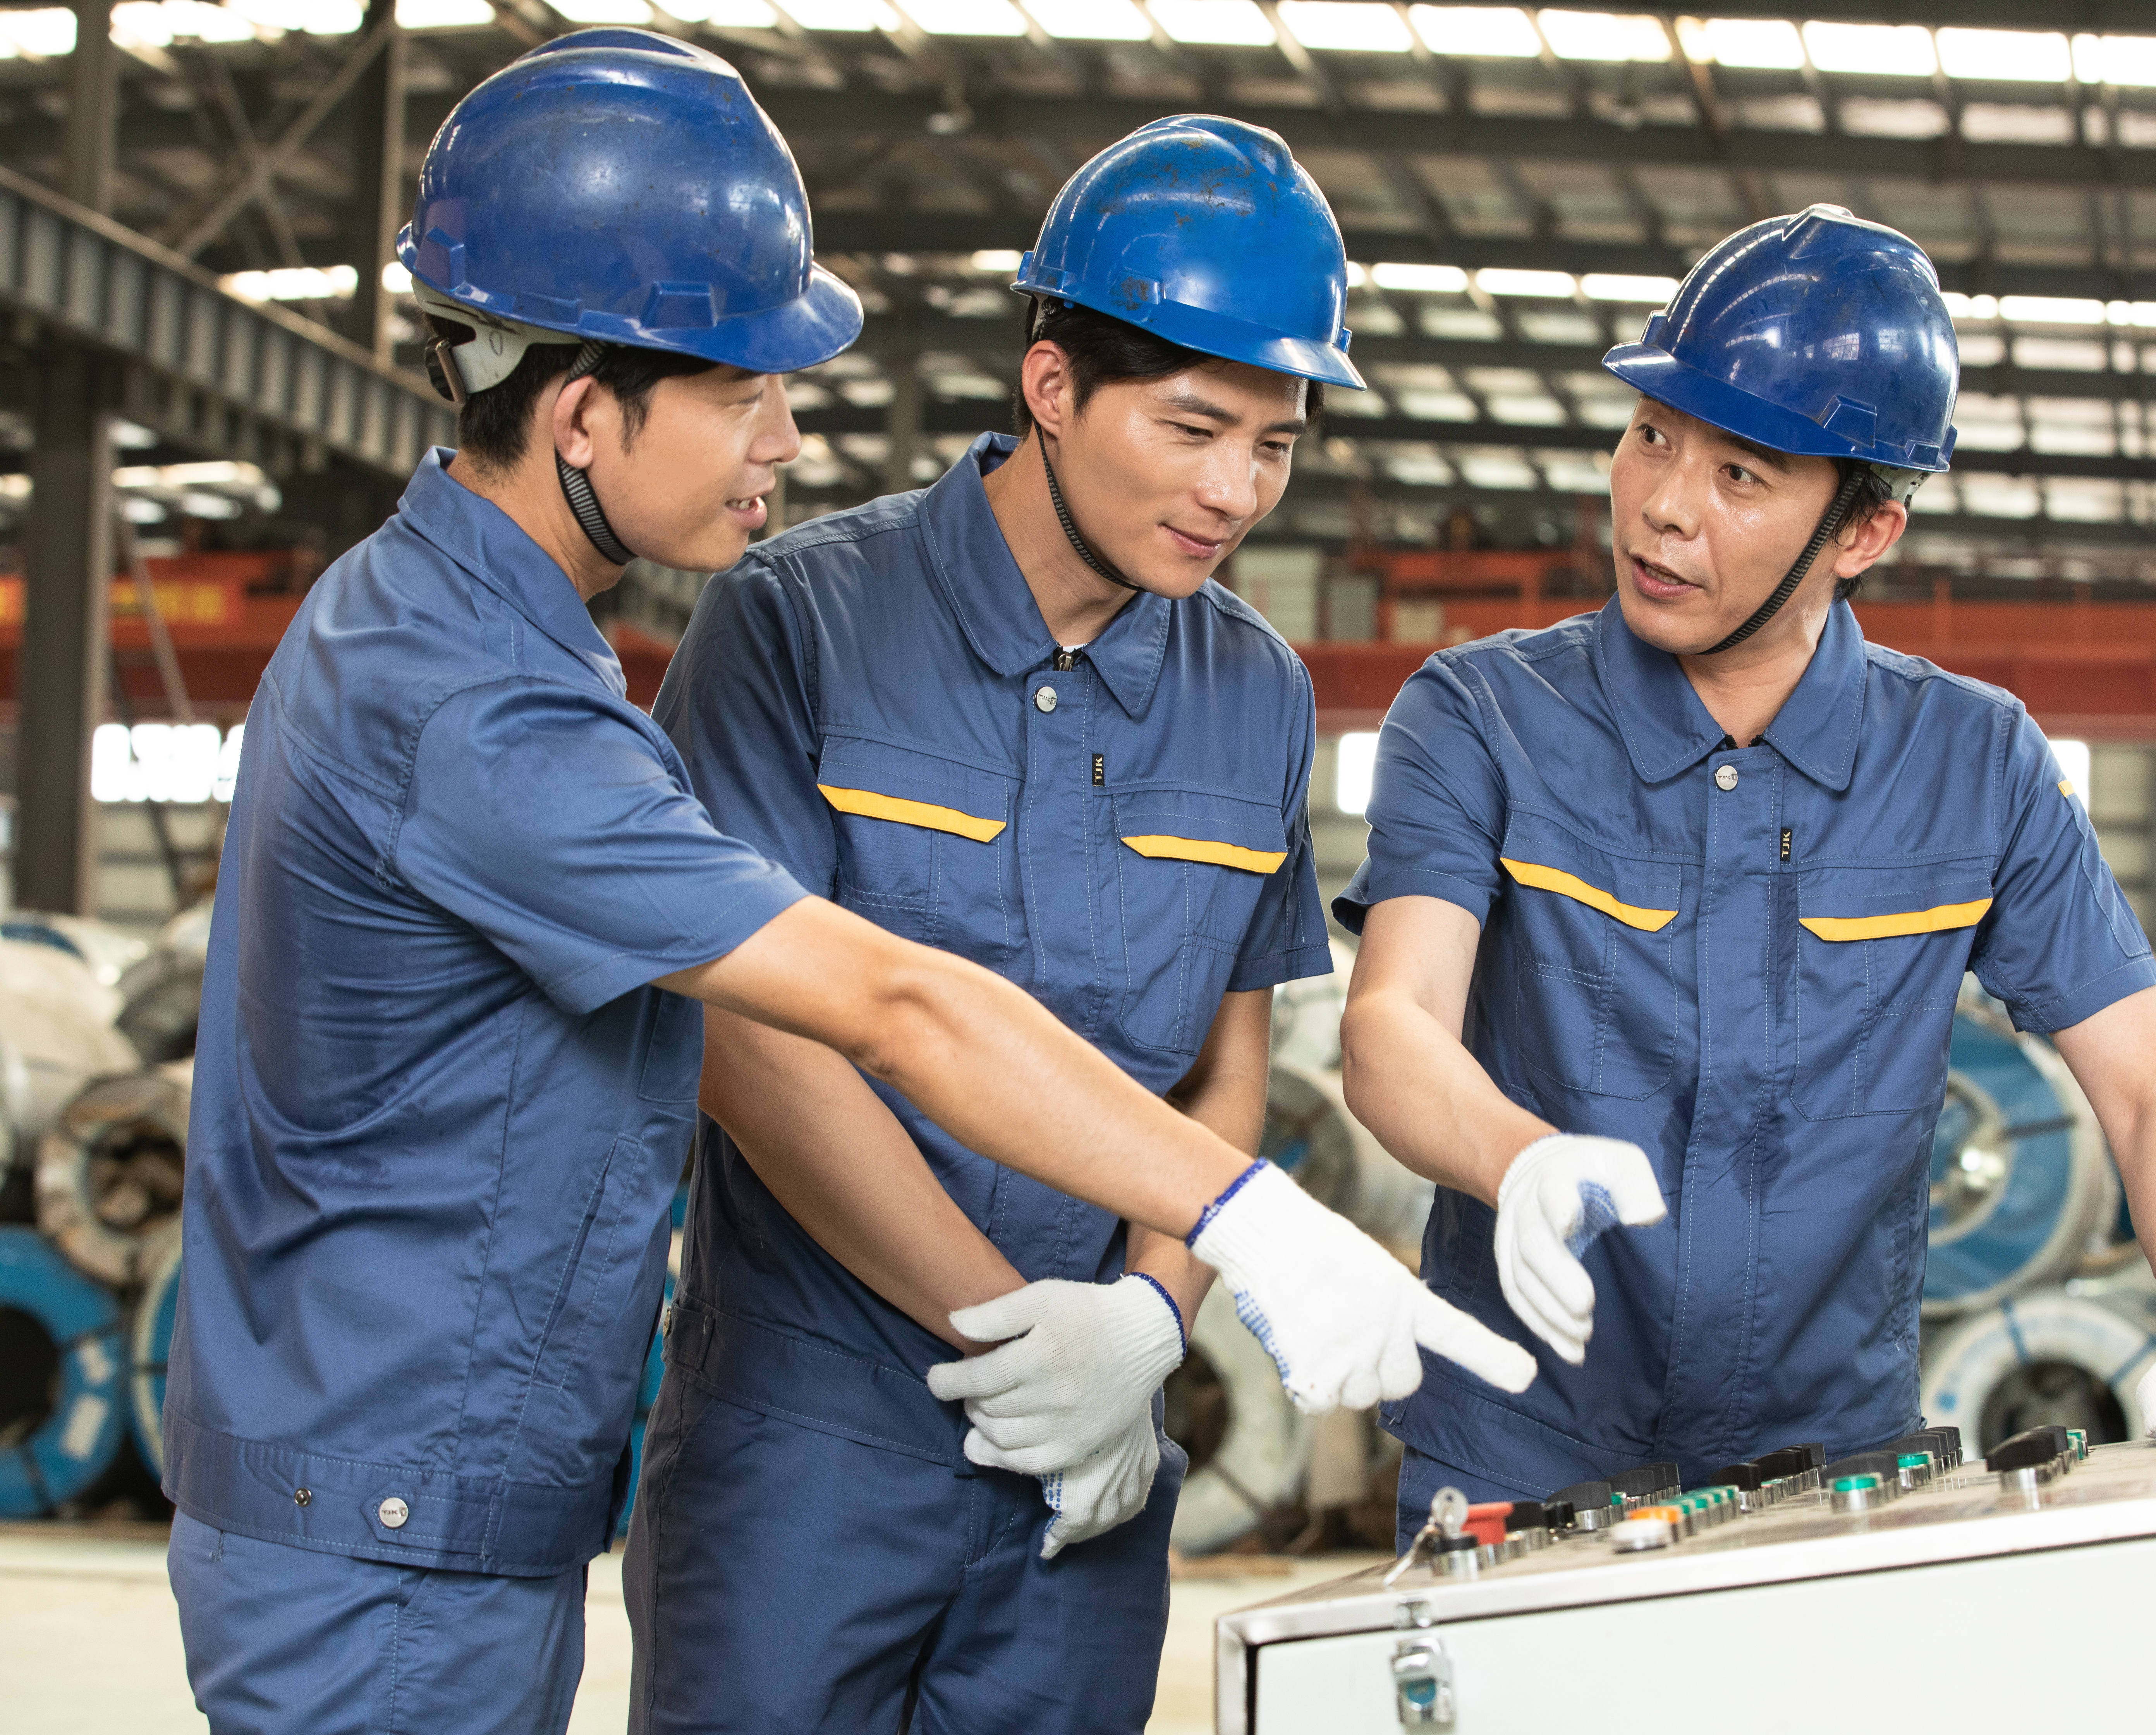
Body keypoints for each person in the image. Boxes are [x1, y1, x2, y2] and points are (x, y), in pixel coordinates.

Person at [159, 43, 1528, 1735]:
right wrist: (1250, 1222)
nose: (787, 437)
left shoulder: (522, 653)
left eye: (1276, 443)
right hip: (413, 1510)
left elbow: (1205, 1037)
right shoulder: (487, 701)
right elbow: (869, 1004)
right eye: (745, 391)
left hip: (447, 1510)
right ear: (585, 411)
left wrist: (1148, 1313)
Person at [1336, 205, 2156, 1546]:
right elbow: (1390, 1026)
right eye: (1652, 434)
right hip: (1520, 1448)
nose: (1663, 503)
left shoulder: (1975, 763)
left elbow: (2149, 1088)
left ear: (1863, 533)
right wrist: (1522, 1160)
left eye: (1743, 476)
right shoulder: (1482, 717)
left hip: (1832, 1479)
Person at [619, 114, 1381, 1735]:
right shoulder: (799, 621)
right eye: (1193, 429)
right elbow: (743, 1043)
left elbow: (1227, 1085)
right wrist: (1009, 1343)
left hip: (1092, 1462)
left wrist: (1146, 1322)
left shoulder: (1258, 693)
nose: (1234, 491)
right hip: (806, 1443)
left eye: (1277, 443)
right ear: (1051, 386)